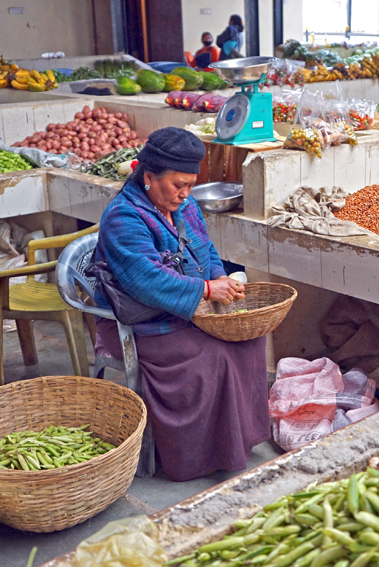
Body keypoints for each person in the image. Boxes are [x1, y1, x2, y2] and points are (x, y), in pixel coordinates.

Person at [93, 127, 268, 482]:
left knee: (249, 339)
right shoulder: (124, 217)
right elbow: (146, 280)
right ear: (148, 176)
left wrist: (222, 281)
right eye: (177, 185)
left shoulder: (185, 206)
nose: (185, 194)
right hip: (144, 324)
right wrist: (206, 290)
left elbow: (206, 252)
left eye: (190, 185)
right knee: (211, 357)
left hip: (187, 310)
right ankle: (193, 459)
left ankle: (236, 444)